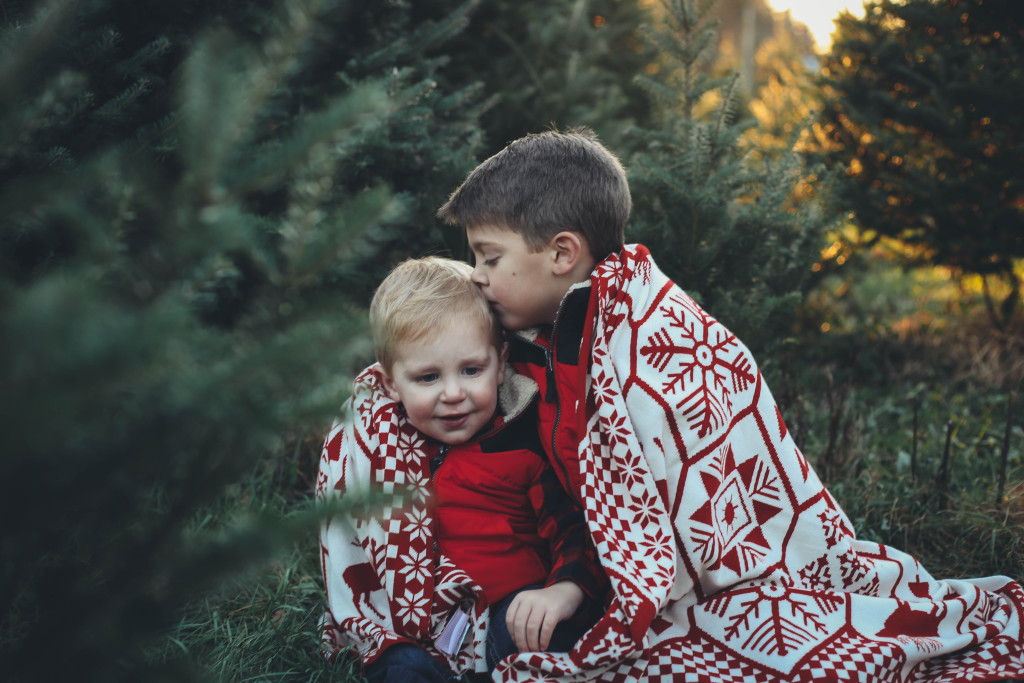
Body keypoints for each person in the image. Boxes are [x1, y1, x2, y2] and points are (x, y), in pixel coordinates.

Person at [433, 127, 1024, 682]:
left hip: (709, 582)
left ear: (562, 254)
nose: (477, 276)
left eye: (489, 257)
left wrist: (604, 588)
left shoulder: (648, 342)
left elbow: (688, 493)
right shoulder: (546, 329)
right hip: (584, 567)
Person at [318, 257, 605, 682]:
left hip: (512, 614)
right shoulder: (378, 450)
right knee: (398, 668)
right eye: (428, 378)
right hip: (416, 632)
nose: (453, 394)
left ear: (501, 360)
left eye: (472, 370)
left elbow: (573, 529)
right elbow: (353, 537)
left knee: (554, 635)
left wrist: (563, 591)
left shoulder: (522, 443)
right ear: (391, 383)